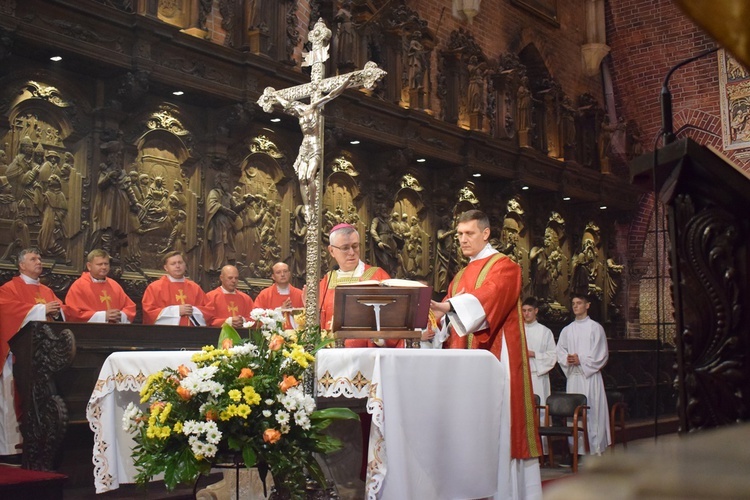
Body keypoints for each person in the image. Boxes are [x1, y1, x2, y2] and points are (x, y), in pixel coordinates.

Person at [429, 210, 542, 499]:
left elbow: (488, 298)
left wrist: (448, 308)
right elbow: (444, 317)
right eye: (459, 235)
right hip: (463, 366)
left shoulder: (505, 267)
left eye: (468, 233)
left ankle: (504, 492)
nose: (462, 240)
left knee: (497, 426)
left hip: (496, 359)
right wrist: (430, 325)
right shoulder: (460, 275)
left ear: (486, 233)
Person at [0, 248, 68, 457]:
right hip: (18, 354)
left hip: (44, 356)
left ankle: (39, 442)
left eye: (39, 258)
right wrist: (41, 310)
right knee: (13, 397)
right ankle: (11, 449)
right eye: (33, 259)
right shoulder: (9, 288)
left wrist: (57, 312)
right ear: (21, 265)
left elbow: (62, 311)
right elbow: (6, 311)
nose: (39, 262)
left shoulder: (46, 290)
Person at [318, 223, 392, 347]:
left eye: (355, 246)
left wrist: (381, 337)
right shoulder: (326, 282)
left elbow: (394, 317)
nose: (352, 252)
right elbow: (319, 325)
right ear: (331, 251)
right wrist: (309, 309)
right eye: (345, 248)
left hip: (369, 354)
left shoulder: (378, 276)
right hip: (333, 354)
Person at [556, 293, 611, 456]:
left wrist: (582, 360)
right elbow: (560, 351)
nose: (575, 306)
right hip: (574, 378)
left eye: (579, 303)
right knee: (575, 413)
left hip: (590, 377)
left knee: (592, 411)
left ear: (587, 306)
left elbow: (602, 354)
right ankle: (577, 451)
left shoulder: (596, 328)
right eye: (573, 303)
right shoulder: (567, 330)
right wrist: (567, 359)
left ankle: (594, 448)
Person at [522, 296, 557, 454]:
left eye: (529, 310)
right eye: (523, 311)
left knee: (540, 411)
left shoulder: (545, 332)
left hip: (538, 376)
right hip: (520, 375)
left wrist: (534, 354)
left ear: (536, 311)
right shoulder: (517, 330)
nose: (526, 314)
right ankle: (523, 447)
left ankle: (542, 450)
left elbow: (552, 356)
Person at [141, 251, 212, 326]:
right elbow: (149, 313)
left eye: (180, 262)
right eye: (173, 264)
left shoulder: (194, 287)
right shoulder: (155, 287)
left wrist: (193, 311)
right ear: (166, 268)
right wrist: (176, 311)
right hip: (166, 333)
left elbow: (208, 311)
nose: (177, 266)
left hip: (192, 333)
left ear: (185, 265)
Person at [66, 249, 136, 323]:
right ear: (89, 266)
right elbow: (73, 313)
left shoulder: (114, 285)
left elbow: (130, 308)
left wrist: (120, 315)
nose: (104, 267)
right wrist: (104, 316)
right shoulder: (79, 286)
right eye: (100, 264)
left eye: (106, 264)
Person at [254, 262, 304, 329]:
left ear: (289, 274)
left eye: (285, 271)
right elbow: (257, 317)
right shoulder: (265, 295)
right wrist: (280, 311)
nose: (282, 274)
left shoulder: (300, 294)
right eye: (278, 272)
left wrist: (293, 313)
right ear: (273, 276)